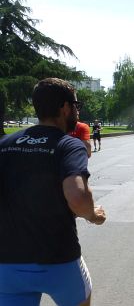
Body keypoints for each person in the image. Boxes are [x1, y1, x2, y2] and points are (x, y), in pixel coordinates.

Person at [0, 78, 106, 306]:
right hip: (59, 260)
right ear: (65, 107)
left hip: (7, 264)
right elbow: (78, 197)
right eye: (76, 105)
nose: (77, 111)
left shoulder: (5, 143)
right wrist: (93, 215)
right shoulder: (67, 144)